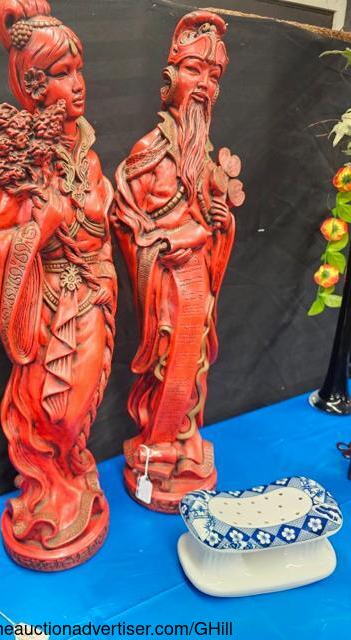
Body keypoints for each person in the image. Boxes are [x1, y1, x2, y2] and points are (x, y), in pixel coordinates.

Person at [0, 0, 116, 570]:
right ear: (32, 85)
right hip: (49, 306)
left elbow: (99, 223)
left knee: (78, 409)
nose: (77, 85)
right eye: (60, 73)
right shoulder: (25, 163)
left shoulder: (86, 153)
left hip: (91, 295)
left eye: (79, 70)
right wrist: (41, 228)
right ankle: (49, 491)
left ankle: (72, 474)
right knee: (51, 412)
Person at [112, 11, 244, 513]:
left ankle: (185, 440)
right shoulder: (148, 152)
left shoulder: (203, 156)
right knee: (168, 363)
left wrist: (220, 224)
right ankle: (157, 444)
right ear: (170, 80)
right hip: (166, 288)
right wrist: (165, 243)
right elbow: (125, 221)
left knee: (196, 367)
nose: (204, 86)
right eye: (194, 71)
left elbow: (212, 223)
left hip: (199, 287)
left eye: (213, 76)